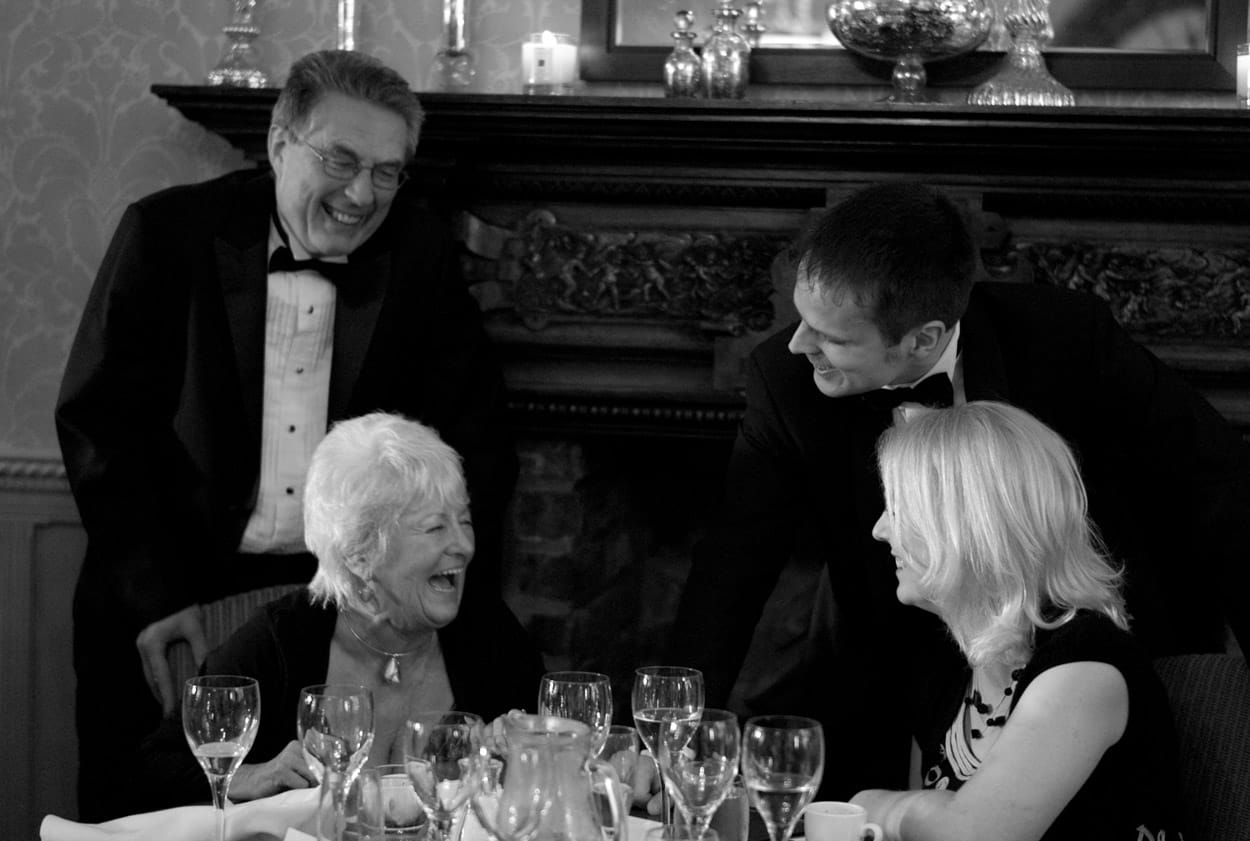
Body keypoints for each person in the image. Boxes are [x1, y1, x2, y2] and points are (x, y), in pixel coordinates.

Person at [670, 181, 1250, 799]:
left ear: (922, 338)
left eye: (833, 338)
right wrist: (670, 735)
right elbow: (731, 567)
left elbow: (1217, 483)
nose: (798, 344)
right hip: (888, 654)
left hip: (1070, 647)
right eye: (802, 319)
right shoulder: (785, 383)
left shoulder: (1064, 338)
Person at [55, 50, 516, 819]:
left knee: (331, 817)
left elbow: (475, 438)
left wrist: (454, 601)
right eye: (340, 159)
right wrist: (152, 596)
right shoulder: (167, 234)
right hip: (170, 598)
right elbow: (100, 423)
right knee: (146, 812)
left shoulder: (421, 256)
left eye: (388, 171)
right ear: (277, 142)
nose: (363, 193)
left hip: (322, 616)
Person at [136, 413, 543, 807]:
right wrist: (256, 774)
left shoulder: (489, 633)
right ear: (361, 553)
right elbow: (154, 769)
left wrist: (522, 754)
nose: (464, 546)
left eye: (464, 521)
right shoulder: (282, 639)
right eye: (436, 528)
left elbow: (558, 766)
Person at [855, 401, 1184, 840]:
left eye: (898, 510)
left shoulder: (1085, 664)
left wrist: (873, 806)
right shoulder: (945, 670)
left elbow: (971, 836)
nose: (880, 530)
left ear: (968, 523)